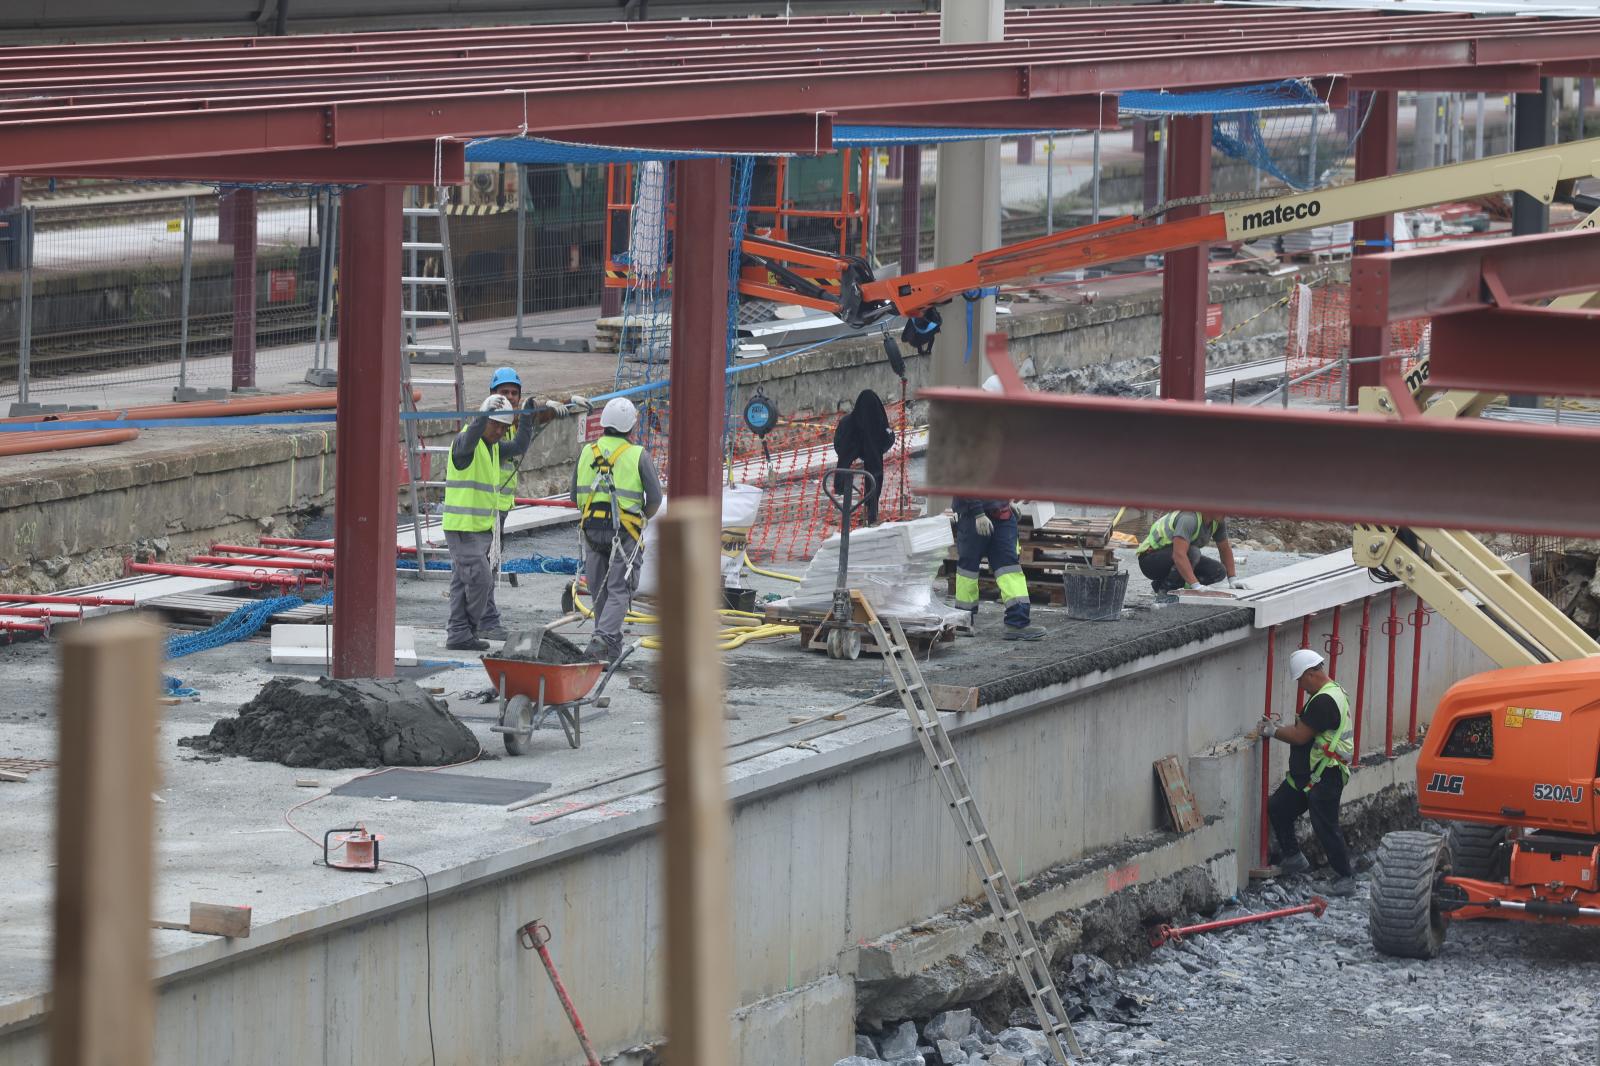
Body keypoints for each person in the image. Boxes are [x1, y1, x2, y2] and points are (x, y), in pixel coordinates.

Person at [1260, 648, 1357, 898]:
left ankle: (1345, 878)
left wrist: (1273, 731)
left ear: (1311, 674)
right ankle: (1293, 857)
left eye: (1301, 681)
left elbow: (1300, 736)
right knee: (1279, 806)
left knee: (1325, 824)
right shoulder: (1331, 693)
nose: (1301, 687)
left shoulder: (1324, 701)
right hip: (1311, 774)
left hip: (1326, 774)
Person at [572, 397, 663, 662]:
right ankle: (602, 639)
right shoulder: (638, 455)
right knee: (620, 589)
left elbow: (573, 494)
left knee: (599, 588)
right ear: (631, 427)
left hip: (591, 529)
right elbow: (655, 498)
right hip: (625, 532)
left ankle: (607, 651)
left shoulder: (587, 452)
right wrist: (641, 519)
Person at [442, 394, 518, 651]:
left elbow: (519, 445)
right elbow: (470, 438)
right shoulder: (465, 443)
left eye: (504, 428)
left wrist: (533, 417)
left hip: (480, 528)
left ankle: (458, 633)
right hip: (463, 526)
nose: (499, 432)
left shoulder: (492, 447)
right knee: (481, 579)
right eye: (495, 424)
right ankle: (467, 629)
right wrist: (481, 417)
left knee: (461, 581)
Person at [1136, 511, 1245, 596]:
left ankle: (1162, 585)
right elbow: (1179, 555)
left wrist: (1232, 579)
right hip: (1150, 561)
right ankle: (1165, 592)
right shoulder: (1189, 518)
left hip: (1173, 558)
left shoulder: (1217, 521)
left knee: (1218, 571)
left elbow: (1224, 549)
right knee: (1193, 552)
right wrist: (1196, 585)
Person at [832, 388, 895, 526]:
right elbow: (888, 439)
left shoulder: (849, 422)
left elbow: (839, 443)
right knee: (874, 477)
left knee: (856, 472)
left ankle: (861, 510)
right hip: (873, 458)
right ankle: (871, 513)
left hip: (856, 453)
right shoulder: (878, 421)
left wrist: (851, 453)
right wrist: (874, 450)